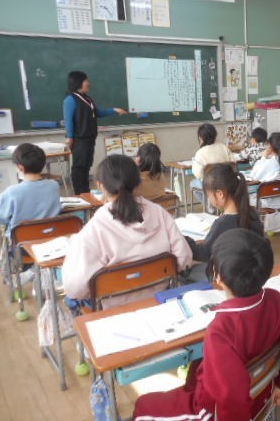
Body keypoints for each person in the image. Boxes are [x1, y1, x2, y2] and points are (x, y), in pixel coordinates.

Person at [132, 229, 280, 421]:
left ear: (218, 275)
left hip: (210, 413)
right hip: (261, 392)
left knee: (142, 408)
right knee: (197, 366)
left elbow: (232, 397)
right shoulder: (275, 299)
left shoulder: (220, 332)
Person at [62, 155, 193, 308]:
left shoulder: (94, 228)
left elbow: (75, 288)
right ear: (138, 183)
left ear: (100, 186)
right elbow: (184, 258)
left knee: (71, 300)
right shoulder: (159, 213)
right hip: (159, 302)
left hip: (113, 311)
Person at [185, 164, 264, 277]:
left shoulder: (222, 224)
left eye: (209, 195)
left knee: (185, 273)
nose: (209, 199)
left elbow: (204, 254)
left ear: (220, 194)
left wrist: (183, 240)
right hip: (252, 274)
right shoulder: (252, 213)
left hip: (230, 276)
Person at [63, 71, 127, 194]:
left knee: (87, 166)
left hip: (90, 138)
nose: (88, 83)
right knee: (79, 167)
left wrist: (114, 110)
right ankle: (79, 194)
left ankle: (85, 191)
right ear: (78, 82)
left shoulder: (87, 98)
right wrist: (69, 137)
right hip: (79, 140)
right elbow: (68, 120)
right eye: (86, 81)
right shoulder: (70, 100)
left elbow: (99, 112)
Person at [0, 143, 61, 237]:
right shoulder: (54, 186)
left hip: (21, 241)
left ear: (20, 168)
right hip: (49, 237)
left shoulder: (12, 192)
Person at [191, 123, 235, 205]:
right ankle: (214, 204)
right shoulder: (224, 147)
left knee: (193, 183)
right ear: (215, 135)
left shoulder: (200, 153)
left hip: (211, 184)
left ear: (201, 138)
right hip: (226, 181)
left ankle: (210, 206)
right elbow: (233, 163)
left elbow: (198, 174)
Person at [249, 132, 280, 209]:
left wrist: (264, 157)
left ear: (270, 146)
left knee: (240, 197)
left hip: (266, 202)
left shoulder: (269, 163)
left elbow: (253, 176)